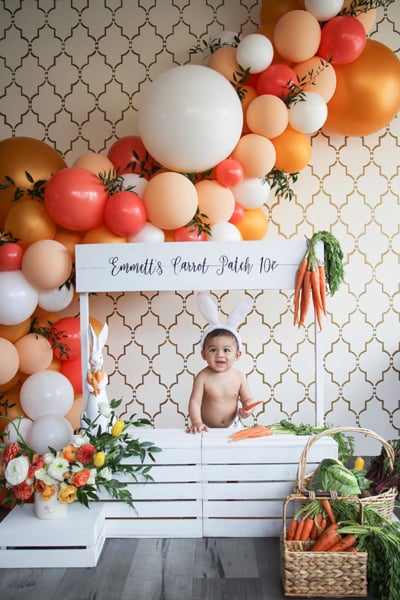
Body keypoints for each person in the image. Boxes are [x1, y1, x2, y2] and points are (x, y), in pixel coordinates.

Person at [186, 292, 256, 434]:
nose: (220, 355)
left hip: (233, 428)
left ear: (237, 355)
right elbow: (195, 402)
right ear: (203, 354)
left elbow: (248, 398)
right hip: (206, 428)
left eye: (226, 350)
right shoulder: (203, 377)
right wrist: (197, 422)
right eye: (213, 350)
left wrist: (247, 409)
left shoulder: (239, 377)